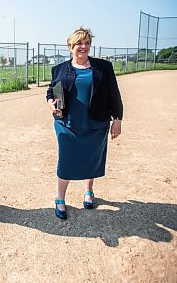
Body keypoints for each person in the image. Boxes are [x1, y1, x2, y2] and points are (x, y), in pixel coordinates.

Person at [46, 27, 123, 220]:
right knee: (66, 160)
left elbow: (114, 94)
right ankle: (60, 198)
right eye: (79, 43)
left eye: (87, 43)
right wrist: (51, 104)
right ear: (70, 46)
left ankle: (89, 191)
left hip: (96, 123)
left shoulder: (103, 67)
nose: (84, 46)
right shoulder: (60, 69)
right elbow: (51, 93)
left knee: (92, 157)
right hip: (67, 124)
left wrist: (118, 120)